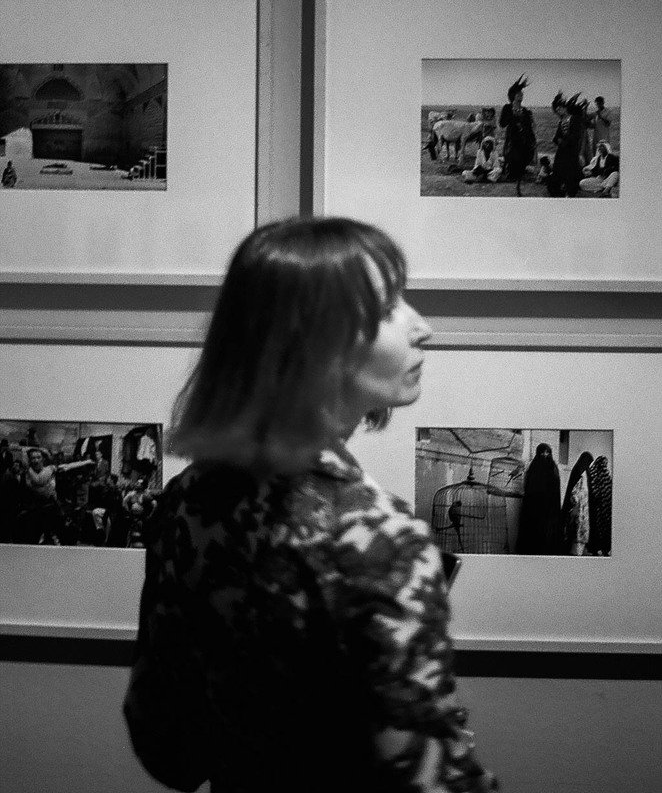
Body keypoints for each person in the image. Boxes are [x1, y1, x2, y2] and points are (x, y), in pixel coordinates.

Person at [124, 216, 498, 793]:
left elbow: (166, 751)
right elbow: (431, 783)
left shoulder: (187, 501)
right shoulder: (375, 536)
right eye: (388, 308)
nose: (423, 327)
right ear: (315, 345)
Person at [515, 443, 561, 555]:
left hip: (548, 509)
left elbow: (555, 490)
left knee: (545, 537)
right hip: (533, 508)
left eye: (547, 452)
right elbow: (528, 487)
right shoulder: (533, 467)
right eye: (542, 452)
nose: (545, 455)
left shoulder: (553, 468)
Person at [499, 74, 536, 196]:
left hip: (524, 143)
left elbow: (529, 128)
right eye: (518, 93)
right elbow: (502, 123)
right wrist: (513, 116)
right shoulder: (507, 108)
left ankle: (518, 189)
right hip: (512, 142)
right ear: (513, 95)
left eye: (522, 94)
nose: (521, 95)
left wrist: (532, 141)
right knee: (512, 168)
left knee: (521, 167)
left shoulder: (525, 111)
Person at [547, 93, 585, 197]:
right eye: (557, 110)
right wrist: (559, 140)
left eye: (560, 108)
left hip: (571, 151)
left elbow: (576, 135)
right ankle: (559, 190)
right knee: (558, 170)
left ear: (565, 108)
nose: (558, 111)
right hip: (561, 151)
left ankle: (570, 190)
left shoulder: (575, 119)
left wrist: (563, 140)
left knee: (570, 171)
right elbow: (556, 137)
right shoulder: (561, 122)